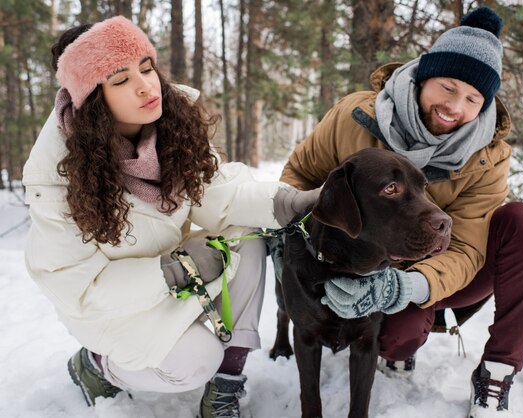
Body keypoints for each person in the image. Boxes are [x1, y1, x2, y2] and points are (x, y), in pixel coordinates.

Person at [22, 16, 318, 418]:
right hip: (113, 308)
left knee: (246, 232)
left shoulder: (170, 123)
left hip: (173, 272)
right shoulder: (55, 173)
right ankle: (96, 365)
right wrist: (175, 270)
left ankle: (226, 384)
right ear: (91, 97)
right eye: (120, 79)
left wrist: (290, 202)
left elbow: (220, 195)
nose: (146, 86)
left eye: (146, 68)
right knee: (194, 361)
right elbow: (81, 288)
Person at [273, 7, 523, 418]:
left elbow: (469, 249)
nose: (455, 107)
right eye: (448, 87)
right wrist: (290, 232)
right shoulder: (355, 116)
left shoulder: (488, 155)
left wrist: (402, 289)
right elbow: (298, 175)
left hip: (436, 269)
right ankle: (404, 335)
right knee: (395, 340)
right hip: (358, 256)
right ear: (423, 77)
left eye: (473, 98)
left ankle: (497, 369)